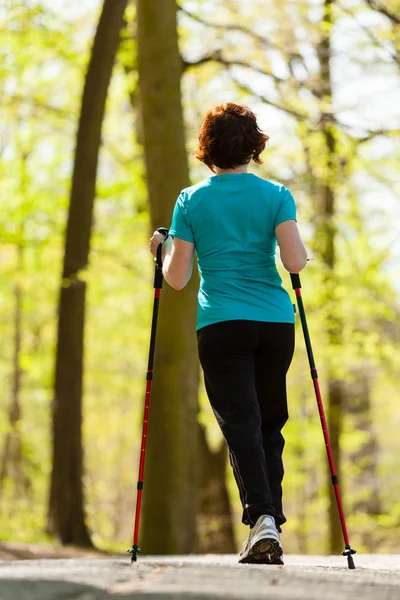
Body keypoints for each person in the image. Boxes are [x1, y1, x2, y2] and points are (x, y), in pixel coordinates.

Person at [149, 102, 307, 565]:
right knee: (269, 422)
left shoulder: (190, 200)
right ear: (254, 146)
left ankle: (263, 519)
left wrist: (160, 249)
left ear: (207, 148)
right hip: (275, 323)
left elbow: (177, 278)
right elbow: (295, 262)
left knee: (241, 422)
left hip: (221, 323)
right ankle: (269, 523)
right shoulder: (277, 194)